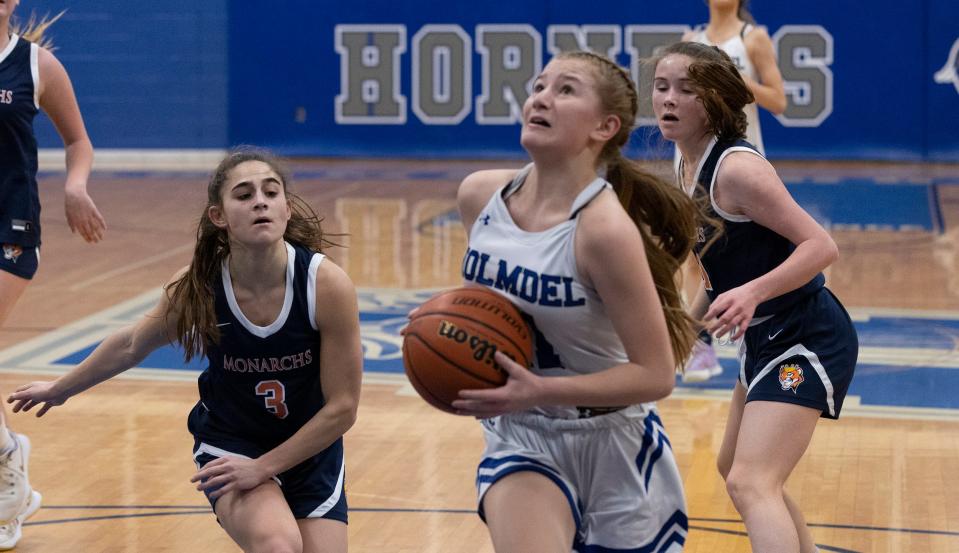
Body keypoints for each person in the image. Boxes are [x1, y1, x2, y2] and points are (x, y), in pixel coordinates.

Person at [8, 149, 363, 553]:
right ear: (219, 216)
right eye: (244, 195)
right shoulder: (201, 284)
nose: (260, 201)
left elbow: (343, 408)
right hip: (232, 443)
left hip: (309, 447)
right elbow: (130, 344)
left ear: (286, 208)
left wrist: (264, 468)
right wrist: (61, 388)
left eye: (271, 192)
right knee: (279, 546)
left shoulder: (327, 285)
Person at [451, 50, 699, 552]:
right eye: (539, 86)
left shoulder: (604, 232)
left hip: (614, 444)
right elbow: (494, 310)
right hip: (522, 437)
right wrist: (444, 325)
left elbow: (655, 375)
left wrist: (539, 389)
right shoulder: (479, 196)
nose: (542, 98)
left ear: (604, 126)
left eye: (565, 90)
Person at [652, 41, 857, 552]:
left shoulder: (739, 170)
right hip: (765, 337)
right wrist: (687, 328)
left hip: (807, 333)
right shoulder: (685, 165)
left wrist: (751, 293)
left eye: (686, 89)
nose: (668, 99)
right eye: (660, 87)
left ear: (717, 98)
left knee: (751, 481)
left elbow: (821, 245)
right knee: (734, 469)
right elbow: (712, 268)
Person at [0, 5, 106, 548]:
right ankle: (6, 457)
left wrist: (75, 185)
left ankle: (7, 471)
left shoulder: (35, 66)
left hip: (10, 228)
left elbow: (77, 141)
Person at [678, 0, 787, 382]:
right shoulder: (691, 40)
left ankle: (761, 334)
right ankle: (699, 345)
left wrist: (735, 81)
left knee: (752, 256)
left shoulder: (752, 39)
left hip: (742, 162)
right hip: (698, 159)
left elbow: (779, 99)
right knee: (696, 255)